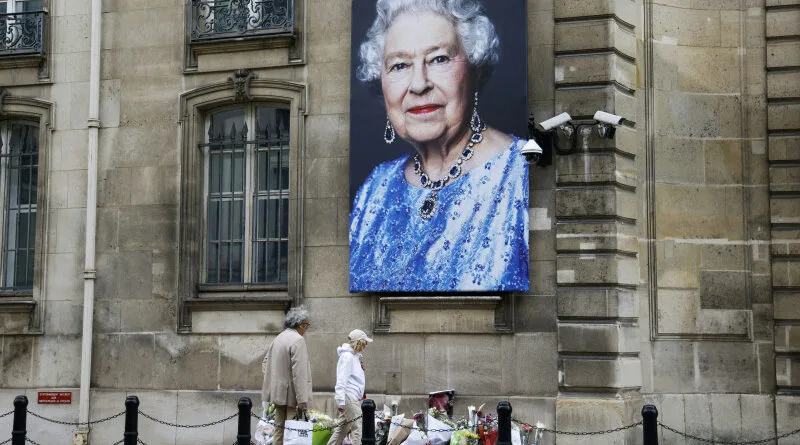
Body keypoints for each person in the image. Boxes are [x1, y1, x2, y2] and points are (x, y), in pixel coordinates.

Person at [349, 0, 529, 292]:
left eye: (439, 59)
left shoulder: (520, 173)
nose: (419, 84)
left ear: (475, 69)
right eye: (400, 65)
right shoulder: (374, 189)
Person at [262, 306, 313, 445]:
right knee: (293, 432)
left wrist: (275, 381)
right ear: (300, 324)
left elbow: (265, 363)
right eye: (307, 325)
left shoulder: (279, 337)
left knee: (279, 430)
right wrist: (302, 400)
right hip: (293, 396)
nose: (306, 328)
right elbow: (299, 373)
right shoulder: (298, 340)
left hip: (278, 394)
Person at [327, 329, 373, 445]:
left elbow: (354, 378)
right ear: (359, 343)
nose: (366, 346)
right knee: (358, 428)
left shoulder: (354, 357)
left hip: (351, 397)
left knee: (341, 430)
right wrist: (341, 400)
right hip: (349, 397)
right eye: (364, 343)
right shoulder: (348, 357)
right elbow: (341, 380)